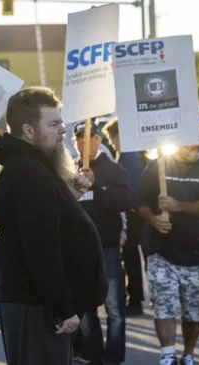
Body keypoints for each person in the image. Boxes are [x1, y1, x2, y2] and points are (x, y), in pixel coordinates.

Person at [0, 86, 108, 365]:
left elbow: (43, 224)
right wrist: (65, 309)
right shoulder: (28, 173)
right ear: (29, 131)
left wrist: (69, 199)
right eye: (54, 124)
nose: (63, 132)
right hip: (36, 306)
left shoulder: (25, 164)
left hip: (35, 303)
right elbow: (41, 249)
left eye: (61, 123)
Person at [137, 141, 199, 365]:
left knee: (195, 313)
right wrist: (152, 219)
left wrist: (177, 206)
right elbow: (140, 200)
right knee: (163, 304)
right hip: (161, 253)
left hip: (198, 254)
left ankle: (188, 354)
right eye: (190, 146)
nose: (195, 151)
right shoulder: (159, 165)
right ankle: (167, 354)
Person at [72, 121, 130, 365]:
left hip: (107, 248)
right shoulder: (67, 169)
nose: (83, 143)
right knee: (86, 307)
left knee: (115, 308)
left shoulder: (112, 170)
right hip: (80, 252)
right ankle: (92, 353)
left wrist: (96, 184)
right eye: (79, 139)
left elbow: (121, 204)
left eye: (88, 138)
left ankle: (114, 357)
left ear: (99, 140)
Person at [102, 119, 146, 316]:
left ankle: (135, 300)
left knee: (132, 259)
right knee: (137, 259)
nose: (112, 143)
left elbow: (132, 189)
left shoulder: (129, 157)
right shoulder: (131, 154)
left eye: (113, 138)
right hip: (137, 213)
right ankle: (137, 298)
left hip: (134, 215)